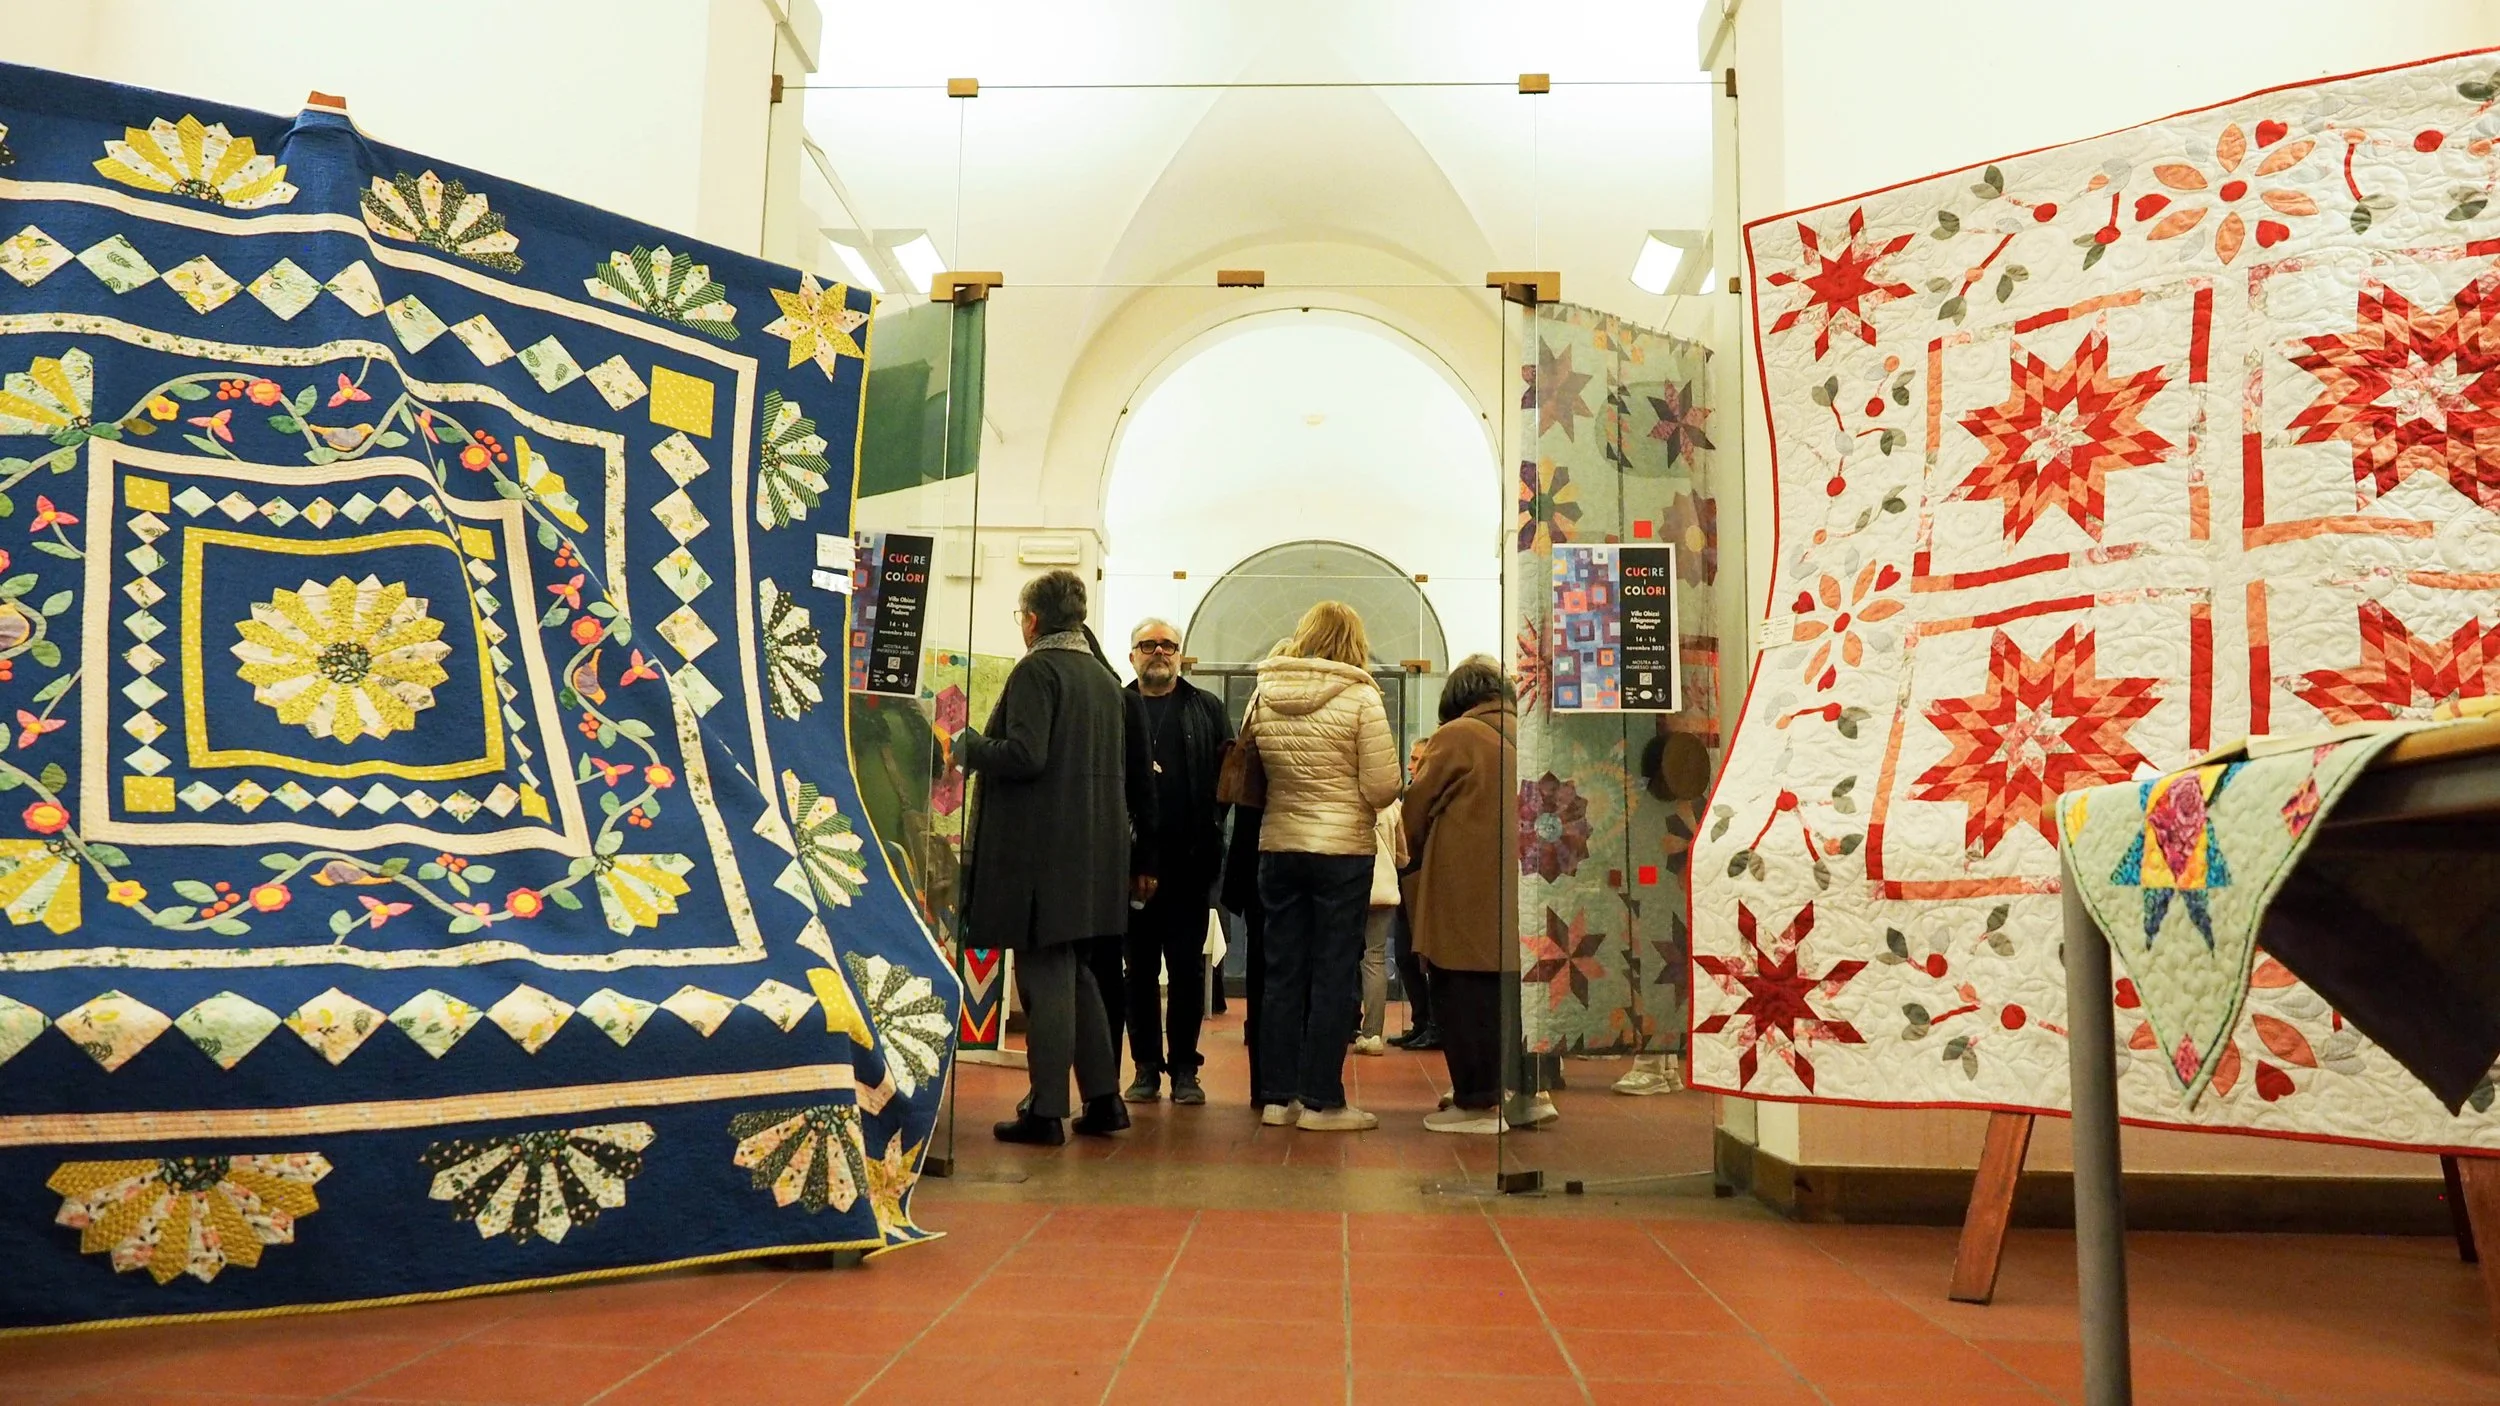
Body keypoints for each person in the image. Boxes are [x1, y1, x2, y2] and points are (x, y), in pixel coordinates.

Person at [956, 570, 1135, 1146]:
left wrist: (965, 745)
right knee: (1075, 974)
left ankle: (1046, 1109)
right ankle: (1104, 1100)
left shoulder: (1039, 669)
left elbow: (1027, 755)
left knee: (1043, 978)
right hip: (1090, 852)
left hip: (1039, 855)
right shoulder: (1104, 680)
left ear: (1032, 620)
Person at [1246, 602, 1401, 1131]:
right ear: (1354, 642)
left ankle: (1276, 1097)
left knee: (1282, 972)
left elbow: (1254, 770)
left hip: (1279, 845)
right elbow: (1382, 787)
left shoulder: (1263, 691)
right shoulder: (1361, 696)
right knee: (1334, 972)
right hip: (1341, 852)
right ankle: (1322, 1101)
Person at [1400, 654, 1518, 1135]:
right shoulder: (1526, 730)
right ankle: (1520, 1091)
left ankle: (1478, 1102)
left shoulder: (1458, 736)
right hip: (1519, 886)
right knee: (1507, 993)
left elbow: (1416, 809)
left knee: (1460, 989)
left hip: (1464, 885)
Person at [1121, 617, 1234, 1105]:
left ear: (1180, 654)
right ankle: (1145, 1067)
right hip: (1127, 868)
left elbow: (1227, 780)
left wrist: (1210, 832)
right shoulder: (1117, 706)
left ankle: (1185, 1069)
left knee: (1188, 972)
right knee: (1139, 972)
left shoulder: (1205, 708)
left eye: (1168, 645)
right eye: (1149, 645)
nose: (1159, 652)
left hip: (1188, 866)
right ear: (1133, 655)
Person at [1388, 738, 1439, 1051]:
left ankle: (1435, 1024)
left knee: (1424, 958)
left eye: (1417, 760)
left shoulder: (1429, 797)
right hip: (1405, 883)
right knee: (1405, 955)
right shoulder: (1411, 794)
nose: (1410, 765)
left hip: (1423, 885)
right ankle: (1421, 1021)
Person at [1353, 795, 1405, 1056]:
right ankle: (1372, 1033)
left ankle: (1339, 1026)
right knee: (1375, 958)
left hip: (1350, 887)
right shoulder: (1392, 806)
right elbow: (1403, 856)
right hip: (1383, 889)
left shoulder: (1347, 798)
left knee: (1339, 957)